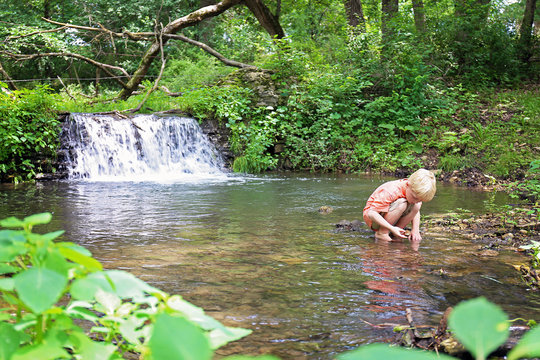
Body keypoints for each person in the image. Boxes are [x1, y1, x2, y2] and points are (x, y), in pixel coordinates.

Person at [363, 169, 436, 244]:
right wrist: (391, 228)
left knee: (417, 205)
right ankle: (382, 233)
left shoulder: (413, 191)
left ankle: (397, 232)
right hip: (374, 219)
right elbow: (371, 213)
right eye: (415, 198)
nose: (415, 201)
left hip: (390, 217)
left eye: (420, 200)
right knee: (402, 203)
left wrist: (415, 230)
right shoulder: (391, 190)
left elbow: (416, 211)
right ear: (407, 185)